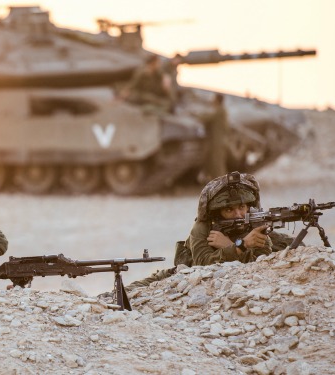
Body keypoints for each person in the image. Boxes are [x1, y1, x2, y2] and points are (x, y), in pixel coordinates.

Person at [127, 171, 300, 289]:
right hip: (184, 272)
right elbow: (202, 265)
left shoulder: (255, 222)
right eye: (229, 210)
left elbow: (260, 265)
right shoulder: (203, 227)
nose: (239, 214)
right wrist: (240, 246)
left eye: (241, 206)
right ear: (217, 214)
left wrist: (230, 245)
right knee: (127, 292)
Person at [199, 93, 229, 183]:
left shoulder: (220, 111)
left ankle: (222, 183)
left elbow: (208, 118)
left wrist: (197, 116)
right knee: (213, 161)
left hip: (217, 141)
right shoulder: (221, 110)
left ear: (217, 100)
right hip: (216, 140)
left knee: (217, 162)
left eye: (214, 99)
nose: (212, 100)